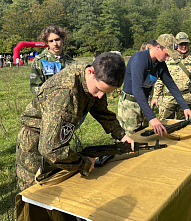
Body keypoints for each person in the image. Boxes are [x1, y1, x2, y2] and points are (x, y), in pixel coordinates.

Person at [16, 52, 134, 192]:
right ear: (90, 71)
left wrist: (121, 135)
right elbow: (50, 149)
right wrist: (83, 163)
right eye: (99, 90)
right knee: (36, 193)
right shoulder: (65, 94)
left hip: (54, 140)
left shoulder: (94, 77)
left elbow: (101, 111)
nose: (100, 96)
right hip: (35, 144)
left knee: (59, 191)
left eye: (106, 93)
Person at [117, 34, 191, 136]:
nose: (167, 59)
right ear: (158, 47)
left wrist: (185, 107)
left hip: (144, 103)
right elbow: (137, 90)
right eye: (166, 55)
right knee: (131, 138)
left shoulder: (160, 64)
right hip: (130, 106)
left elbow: (171, 85)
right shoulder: (139, 60)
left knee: (143, 136)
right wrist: (152, 118)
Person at [152, 32, 191, 120]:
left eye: (186, 44)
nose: (183, 46)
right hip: (168, 99)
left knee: (183, 126)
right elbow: (160, 79)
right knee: (165, 126)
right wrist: (156, 96)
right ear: (176, 45)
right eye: (181, 44)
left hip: (187, 99)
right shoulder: (167, 58)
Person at [30, 25, 74, 96]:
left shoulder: (71, 62)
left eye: (57, 39)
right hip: (47, 103)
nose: (55, 44)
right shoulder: (39, 61)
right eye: (51, 41)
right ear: (47, 43)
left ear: (63, 39)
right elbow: (35, 87)